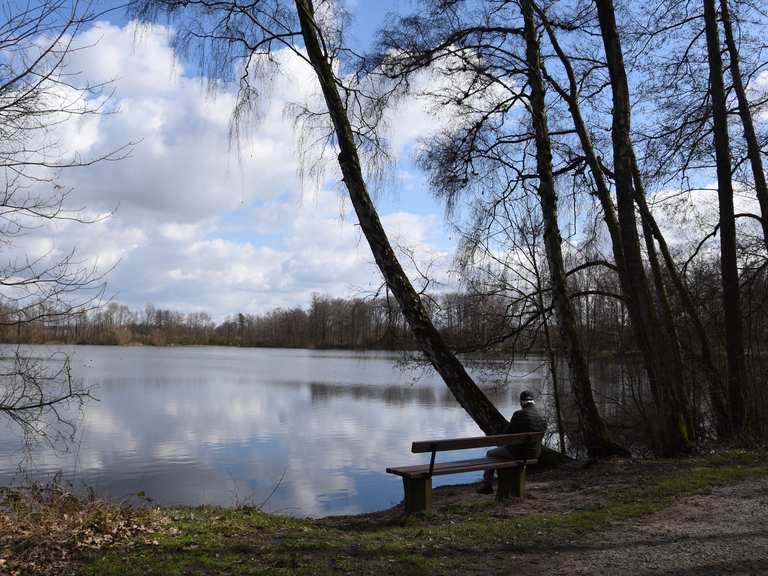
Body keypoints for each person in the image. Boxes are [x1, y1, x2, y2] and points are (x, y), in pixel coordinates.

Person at [476, 389, 547, 495]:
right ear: (533, 402)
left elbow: (507, 435)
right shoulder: (542, 417)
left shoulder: (519, 414)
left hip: (517, 453)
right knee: (503, 452)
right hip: (534, 453)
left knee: (490, 453)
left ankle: (487, 486)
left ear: (521, 402)